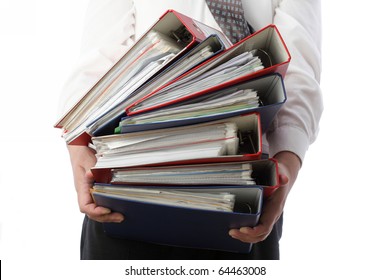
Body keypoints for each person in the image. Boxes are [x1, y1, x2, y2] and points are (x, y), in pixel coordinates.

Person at [59, 0, 323, 260]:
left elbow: (298, 71)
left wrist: (288, 162)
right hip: (129, 182)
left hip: (243, 190)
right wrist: (78, 148)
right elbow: (99, 57)